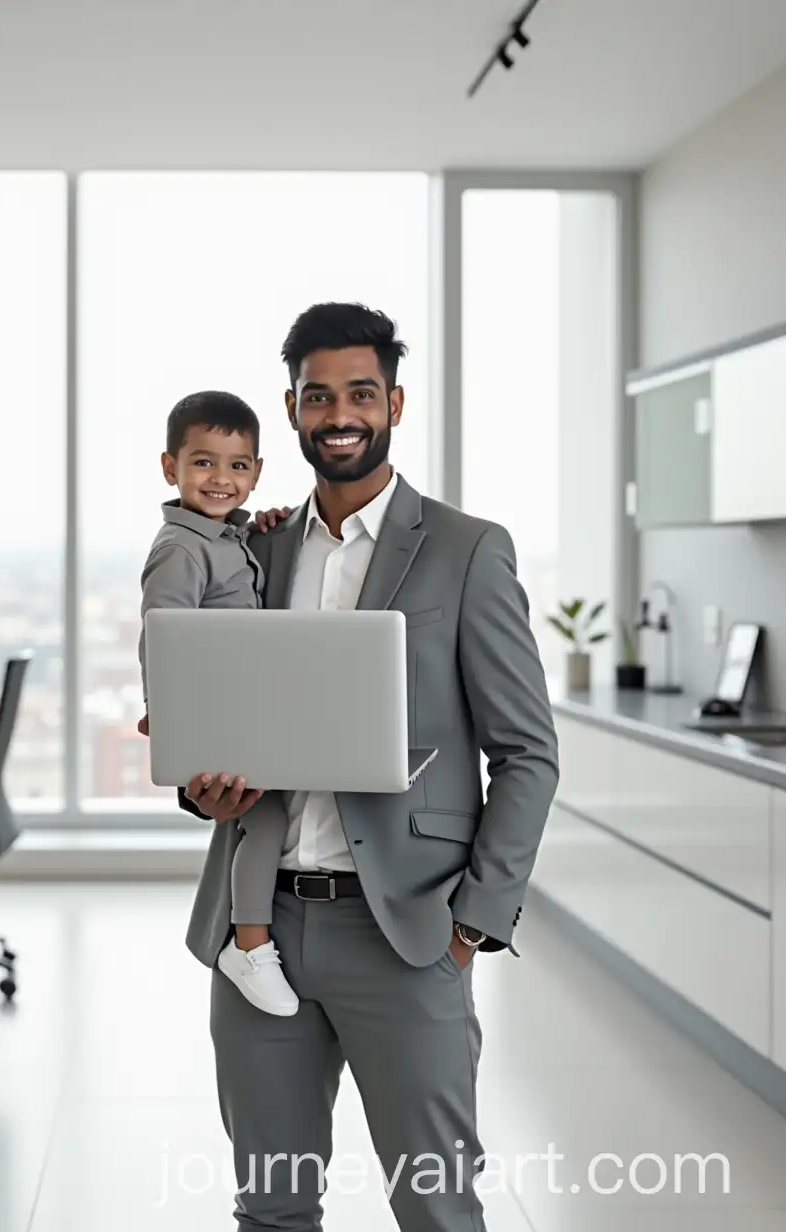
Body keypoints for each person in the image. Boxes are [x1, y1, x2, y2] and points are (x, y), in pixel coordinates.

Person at [179, 303, 560, 1231]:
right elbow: (212, 709)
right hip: (255, 928)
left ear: (393, 402)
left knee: (436, 1210)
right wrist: (202, 786)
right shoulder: (252, 545)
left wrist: (473, 924)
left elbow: (526, 753)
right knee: (270, 1208)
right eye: (318, 397)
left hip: (407, 933)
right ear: (293, 410)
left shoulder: (469, 550)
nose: (338, 413)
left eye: (359, 393)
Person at [138, 389, 298, 1016]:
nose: (221, 479)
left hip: (239, 701)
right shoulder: (181, 547)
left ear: (256, 472)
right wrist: (173, 714)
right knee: (265, 816)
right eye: (203, 463)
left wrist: (261, 529)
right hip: (216, 707)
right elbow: (164, 635)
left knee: (267, 815)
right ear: (170, 467)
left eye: (237, 466)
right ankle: (248, 944)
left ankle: (248, 939)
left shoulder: (224, 537)